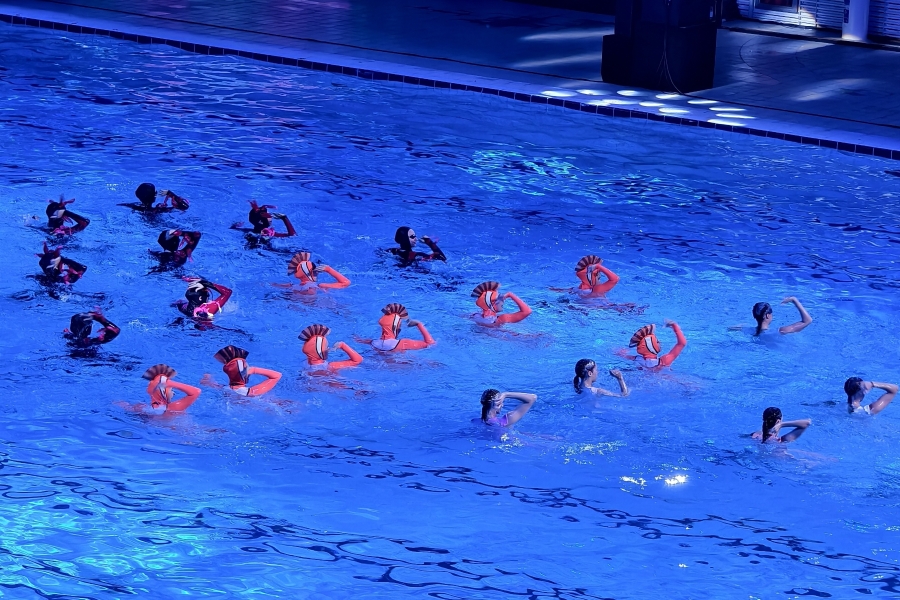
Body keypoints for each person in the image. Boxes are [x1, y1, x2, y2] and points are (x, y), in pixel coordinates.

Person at [202, 345, 282, 397]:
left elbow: (207, 383)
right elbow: (277, 376)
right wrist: (253, 370)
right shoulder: (252, 392)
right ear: (246, 375)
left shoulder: (226, 389)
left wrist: (207, 377)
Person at [122, 364, 201, 415]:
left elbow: (123, 405)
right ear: (163, 392)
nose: (173, 393)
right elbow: (196, 392)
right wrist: (171, 383)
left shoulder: (143, 408)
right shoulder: (173, 409)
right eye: (171, 389)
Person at [369, 303, 435, 352]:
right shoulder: (403, 343)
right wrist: (419, 324)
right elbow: (430, 344)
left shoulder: (373, 343)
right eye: (400, 326)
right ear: (396, 328)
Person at [298, 324, 363, 374]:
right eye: (326, 347)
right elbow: (358, 360)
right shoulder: (331, 367)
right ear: (320, 352)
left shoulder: (305, 365)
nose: (328, 349)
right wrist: (342, 345)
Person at [742, 297, 813, 336]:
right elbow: (808, 320)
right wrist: (794, 300)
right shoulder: (780, 331)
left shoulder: (748, 329)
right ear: (767, 315)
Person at [232, 201, 296, 238]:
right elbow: (292, 235)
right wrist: (284, 218)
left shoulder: (248, 231)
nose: (271, 217)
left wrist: (235, 225)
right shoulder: (270, 234)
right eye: (269, 215)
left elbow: (233, 228)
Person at [123, 183, 189, 212]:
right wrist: (170, 194)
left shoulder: (133, 206)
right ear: (154, 196)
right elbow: (184, 207)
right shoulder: (157, 210)